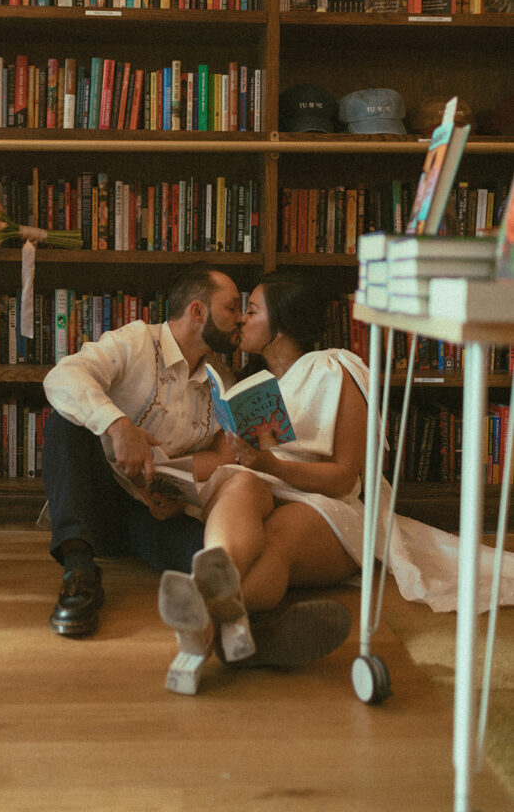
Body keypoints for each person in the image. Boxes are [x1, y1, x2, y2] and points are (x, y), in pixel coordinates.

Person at [158, 269, 514, 695]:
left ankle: (199, 625)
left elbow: (346, 477)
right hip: (265, 488)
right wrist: (164, 470)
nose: (239, 320)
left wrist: (272, 465)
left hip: (328, 505)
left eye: (251, 311)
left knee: (275, 542)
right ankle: (226, 613)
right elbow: (228, 463)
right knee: (239, 484)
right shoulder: (245, 385)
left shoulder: (336, 368)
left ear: (281, 326)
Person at [41, 264, 243, 637]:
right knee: (64, 421)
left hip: (154, 514)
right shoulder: (135, 342)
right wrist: (118, 425)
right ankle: (79, 572)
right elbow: (62, 376)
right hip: (96, 502)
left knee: (214, 559)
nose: (240, 318)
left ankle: (239, 628)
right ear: (198, 311)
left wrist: (176, 491)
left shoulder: (222, 380)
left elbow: (223, 458)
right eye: (232, 307)